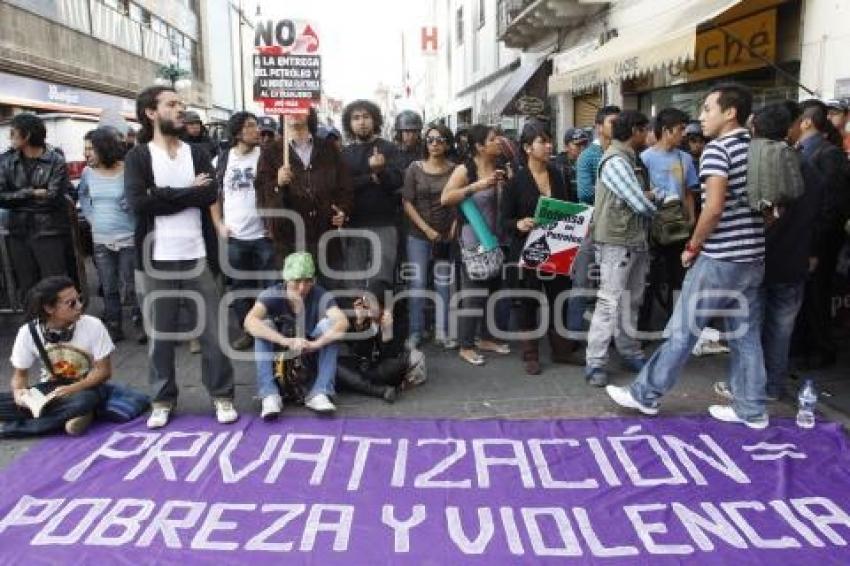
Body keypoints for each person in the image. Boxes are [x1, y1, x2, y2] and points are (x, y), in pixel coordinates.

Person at [607, 83, 769, 429]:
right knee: (746, 334)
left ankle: (645, 394)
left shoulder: (717, 151)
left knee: (682, 329)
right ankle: (752, 408)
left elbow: (712, 209)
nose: (701, 117)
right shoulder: (758, 148)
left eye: (708, 109)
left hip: (721, 256)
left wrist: (693, 246)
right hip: (753, 255)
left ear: (731, 113)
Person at [125, 85, 236, 429]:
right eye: (172, 104)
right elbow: (139, 203)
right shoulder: (139, 156)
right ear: (151, 112)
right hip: (157, 257)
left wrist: (168, 194)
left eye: (182, 104)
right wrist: (190, 191)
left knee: (213, 334)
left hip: (199, 255)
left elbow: (210, 195)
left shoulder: (199, 153)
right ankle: (162, 399)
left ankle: (222, 396)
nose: (180, 109)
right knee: (160, 335)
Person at [715, 102, 824, 402]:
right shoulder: (808, 167)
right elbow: (820, 215)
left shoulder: (755, 164)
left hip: (758, 258)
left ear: (754, 130)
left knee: (747, 331)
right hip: (794, 260)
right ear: (791, 128)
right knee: (780, 330)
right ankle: (773, 387)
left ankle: (745, 388)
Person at [584, 111, 656, 387]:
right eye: (645, 130)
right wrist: (660, 203)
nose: (649, 135)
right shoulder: (616, 161)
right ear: (635, 131)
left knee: (631, 300)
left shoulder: (628, 159)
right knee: (609, 302)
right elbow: (638, 203)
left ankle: (629, 351)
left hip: (632, 239)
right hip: (617, 242)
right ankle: (596, 362)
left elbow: (633, 198)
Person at [502, 120, 579, 375]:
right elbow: (504, 221)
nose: (548, 146)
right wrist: (520, 223)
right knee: (528, 300)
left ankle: (561, 350)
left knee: (559, 296)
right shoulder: (516, 181)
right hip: (527, 248)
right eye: (542, 142)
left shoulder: (559, 174)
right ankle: (530, 353)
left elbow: (571, 206)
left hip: (558, 246)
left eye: (549, 141)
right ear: (527, 147)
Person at [1, 276, 113, 438]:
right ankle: (73, 416)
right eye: (71, 303)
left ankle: (11, 429)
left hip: (85, 388)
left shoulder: (93, 325)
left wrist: (73, 388)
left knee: (83, 402)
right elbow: (20, 375)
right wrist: (19, 392)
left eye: (79, 299)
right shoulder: (28, 332)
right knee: (15, 402)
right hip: (50, 391)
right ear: (49, 308)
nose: (80, 306)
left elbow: (104, 372)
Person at [256, 107, 353, 289]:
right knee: (295, 298)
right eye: (290, 107)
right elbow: (261, 194)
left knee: (330, 292)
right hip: (290, 238)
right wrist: (277, 183)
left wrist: (343, 210)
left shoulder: (328, 148)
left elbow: (345, 186)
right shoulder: (271, 152)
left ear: (310, 114)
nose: (295, 111)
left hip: (325, 236)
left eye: (300, 106)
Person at [243, 252, 349, 418]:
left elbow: (342, 322)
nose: (302, 288)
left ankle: (320, 391)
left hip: (309, 353)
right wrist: (284, 340)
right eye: (297, 282)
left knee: (330, 326)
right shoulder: (272, 294)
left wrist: (316, 344)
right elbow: (249, 322)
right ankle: (269, 394)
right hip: (280, 356)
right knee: (262, 325)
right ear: (286, 279)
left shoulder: (320, 294)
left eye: (307, 281)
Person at [441, 124, 511, 366]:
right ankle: (466, 345)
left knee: (493, 290)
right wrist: (476, 187)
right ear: (479, 146)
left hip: (497, 237)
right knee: (473, 293)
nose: (498, 142)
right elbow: (446, 197)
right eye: (493, 139)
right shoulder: (465, 169)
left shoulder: (500, 166)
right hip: (474, 236)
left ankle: (485, 338)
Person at [211, 111, 275, 351]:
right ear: (237, 131)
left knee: (271, 286)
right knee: (240, 288)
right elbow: (213, 196)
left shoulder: (267, 157)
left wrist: (274, 224)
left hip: (264, 236)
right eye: (250, 126)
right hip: (235, 236)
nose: (256, 130)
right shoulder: (223, 160)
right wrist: (219, 223)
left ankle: (270, 329)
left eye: (256, 125)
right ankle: (248, 330)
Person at [793, 99, 850, 369]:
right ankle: (803, 345)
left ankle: (821, 349)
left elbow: (833, 205)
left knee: (817, 294)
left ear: (806, 122)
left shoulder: (828, 154)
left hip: (821, 238)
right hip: (804, 235)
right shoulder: (801, 150)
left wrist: (817, 245)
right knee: (804, 294)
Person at [78, 127, 144, 344]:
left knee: (131, 284)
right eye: (86, 149)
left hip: (128, 236)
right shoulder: (87, 173)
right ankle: (114, 326)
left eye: (91, 149)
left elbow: (140, 196)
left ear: (104, 149)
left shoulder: (128, 170)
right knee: (108, 286)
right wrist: (91, 217)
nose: (87, 154)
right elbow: (83, 197)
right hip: (101, 239)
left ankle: (140, 322)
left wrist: (132, 204)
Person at [0, 113, 73, 305]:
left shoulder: (55, 160)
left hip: (50, 231)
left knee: (55, 286)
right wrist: (31, 193)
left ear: (27, 135)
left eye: (14, 133)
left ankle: (60, 327)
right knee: (27, 286)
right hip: (19, 233)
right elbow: (1, 197)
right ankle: (32, 329)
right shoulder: (6, 161)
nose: (10, 137)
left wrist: (16, 199)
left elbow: (52, 198)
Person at [638, 108, 700, 330]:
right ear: (666, 130)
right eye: (681, 129)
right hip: (653, 228)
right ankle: (643, 327)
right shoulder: (644, 158)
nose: (684, 134)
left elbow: (689, 191)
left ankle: (675, 326)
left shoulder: (685, 159)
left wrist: (691, 217)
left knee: (678, 278)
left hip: (678, 228)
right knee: (648, 279)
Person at [567, 106, 621, 342]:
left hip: (613, 228)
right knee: (582, 281)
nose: (617, 126)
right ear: (599, 127)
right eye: (612, 122)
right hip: (589, 227)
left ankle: (607, 335)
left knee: (610, 285)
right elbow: (585, 192)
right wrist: (618, 190)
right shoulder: (589, 156)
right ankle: (574, 332)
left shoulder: (621, 152)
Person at [402, 123, 457, 349]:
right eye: (431, 139)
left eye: (440, 139)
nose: (435, 143)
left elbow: (459, 200)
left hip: (446, 234)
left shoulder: (455, 169)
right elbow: (407, 202)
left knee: (443, 284)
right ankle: (416, 331)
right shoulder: (414, 168)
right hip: (418, 235)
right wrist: (426, 230)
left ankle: (442, 331)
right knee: (417, 282)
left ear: (447, 143)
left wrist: (454, 226)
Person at [340, 100, 404, 289]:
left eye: (366, 117)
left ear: (375, 120)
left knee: (381, 281)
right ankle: (359, 319)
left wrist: (382, 172)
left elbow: (396, 182)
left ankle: (381, 318)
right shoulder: (345, 153)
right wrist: (371, 177)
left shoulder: (389, 148)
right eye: (356, 118)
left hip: (384, 224)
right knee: (354, 283)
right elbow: (345, 186)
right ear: (349, 123)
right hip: (354, 226)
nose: (362, 122)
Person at [337, 280, 426, 402]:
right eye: (365, 300)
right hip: (365, 365)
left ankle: (354, 382)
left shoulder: (399, 318)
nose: (365, 305)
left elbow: (390, 355)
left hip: (382, 366)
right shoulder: (359, 313)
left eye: (370, 302)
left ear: (383, 305)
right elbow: (360, 353)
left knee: (394, 367)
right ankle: (371, 386)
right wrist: (360, 325)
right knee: (337, 364)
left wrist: (386, 332)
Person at [552, 127, 589, 202]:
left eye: (584, 144)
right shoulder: (558, 166)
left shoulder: (590, 161)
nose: (582, 148)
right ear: (566, 147)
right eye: (578, 145)